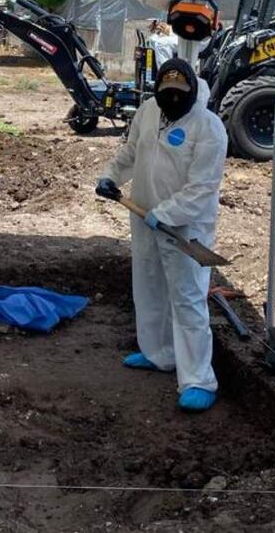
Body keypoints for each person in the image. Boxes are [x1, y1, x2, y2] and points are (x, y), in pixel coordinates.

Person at [96, 57, 227, 411]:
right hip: (143, 219)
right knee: (149, 286)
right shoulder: (148, 111)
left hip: (185, 227)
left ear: (192, 90)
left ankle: (199, 379)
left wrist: (165, 214)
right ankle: (159, 353)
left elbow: (202, 188)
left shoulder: (209, 127)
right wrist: (111, 176)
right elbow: (130, 152)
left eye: (179, 93)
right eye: (166, 92)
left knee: (187, 299)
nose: (173, 99)